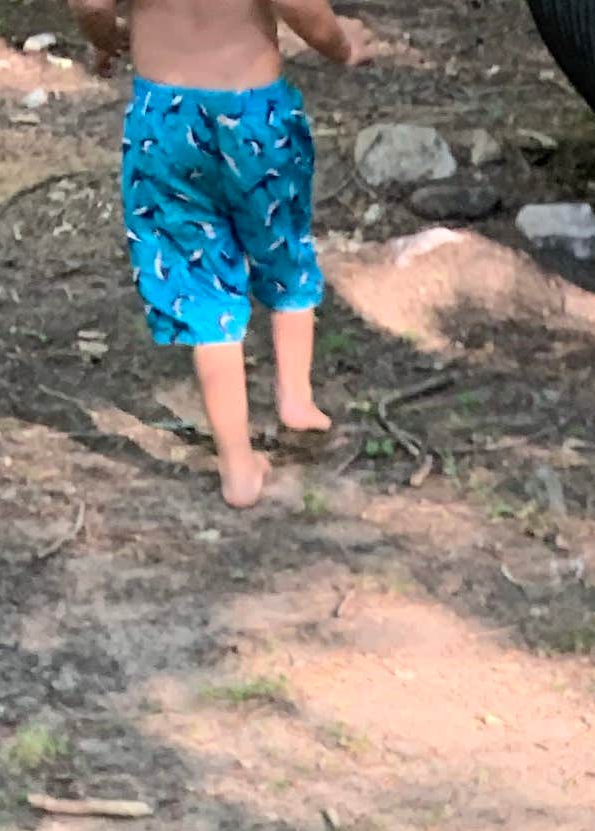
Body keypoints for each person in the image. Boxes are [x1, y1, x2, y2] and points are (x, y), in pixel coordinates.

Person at [74, 0, 372, 508]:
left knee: (198, 279)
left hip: (165, 120)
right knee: (284, 245)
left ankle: (237, 465)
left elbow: (89, 3)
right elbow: (300, 5)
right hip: (254, 112)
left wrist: (109, 39)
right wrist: (341, 45)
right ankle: (296, 399)